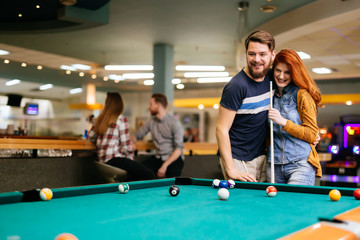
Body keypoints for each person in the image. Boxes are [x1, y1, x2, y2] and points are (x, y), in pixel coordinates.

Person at [216, 30, 276, 182]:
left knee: (259, 203)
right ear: (246, 54)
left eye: (262, 54)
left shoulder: (273, 77)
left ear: (272, 55)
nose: (257, 59)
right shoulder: (236, 86)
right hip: (237, 159)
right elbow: (221, 129)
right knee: (242, 203)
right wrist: (231, 169)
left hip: (261, 156)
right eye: (252, 54)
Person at [267, 49, 322, 185]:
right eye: (278, 70)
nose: (281, 76)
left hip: (300, 165)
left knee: (294, 205)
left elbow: (311, 134)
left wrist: (283, 122)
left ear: (294, 73)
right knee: (272, 206)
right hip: (274, 164)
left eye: (287, 72)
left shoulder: (302, 95)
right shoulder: (269, 94)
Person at [87, 92, 155, 181]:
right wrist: (132, 153)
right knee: (149, 174)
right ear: (120, 105)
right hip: (115, 160)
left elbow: (89, 138)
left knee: (132, 174)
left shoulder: (99, 120)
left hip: (102, 163)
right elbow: (126, 147)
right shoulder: (121, 119)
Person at [133, 93, 185, 178]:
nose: (149, 107)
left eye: (151, 104)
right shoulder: (151, 122)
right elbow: (137, 135)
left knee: (171, 182)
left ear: (158, 105)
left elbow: (179, 149)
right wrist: (131, 141)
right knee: (138, 171)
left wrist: (165, 165)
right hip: (158, 158)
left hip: (173, 159)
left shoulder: (174, 123)